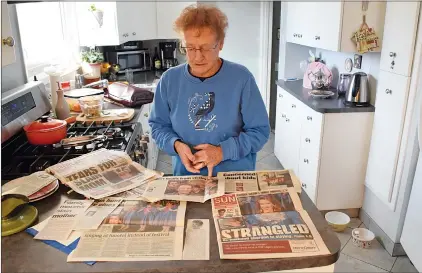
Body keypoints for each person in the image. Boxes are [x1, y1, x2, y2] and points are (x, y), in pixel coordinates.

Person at [148, 4, 270, 177]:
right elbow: (158, 126)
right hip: (187, 177)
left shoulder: (241, 78)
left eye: (206, 48)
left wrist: (222, 152)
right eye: (190, 48)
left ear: (220, 44)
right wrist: (176, 145)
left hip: (234, 177)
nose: (197, 56)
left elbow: (260, 132)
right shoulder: (169, 80)